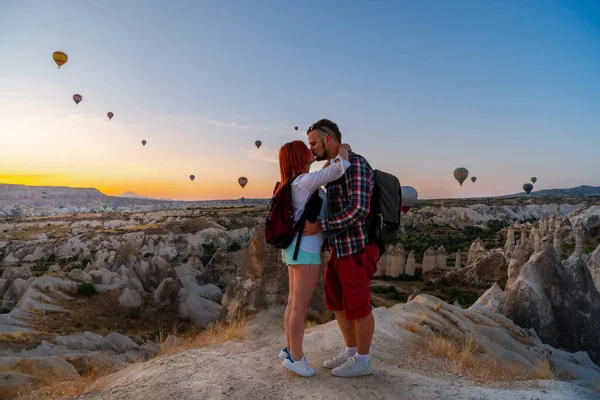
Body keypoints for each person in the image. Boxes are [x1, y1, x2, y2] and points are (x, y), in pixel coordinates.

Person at [303, 119, 379, 378]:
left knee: (358, 303)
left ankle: (364, 360)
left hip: (357, 246)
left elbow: (359, 209)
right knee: (336, 300)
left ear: (328, 140)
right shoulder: (337, 167)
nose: (310, 148)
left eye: (313, 142)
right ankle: (351, 350)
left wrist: (320, 225)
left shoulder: (355, 164)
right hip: (339, 247)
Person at [276, 140, 350, 377]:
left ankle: (289, 350)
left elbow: (324, 172)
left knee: (292, 304)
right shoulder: (305, 182)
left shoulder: (295, 183)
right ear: (298, 157)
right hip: (305, 252)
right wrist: (343, 151)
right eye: (305, 149)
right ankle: (297, 358)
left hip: (294, 250)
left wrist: (329, 160)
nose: (311, 151)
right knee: (299, 307)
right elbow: (339, 168)